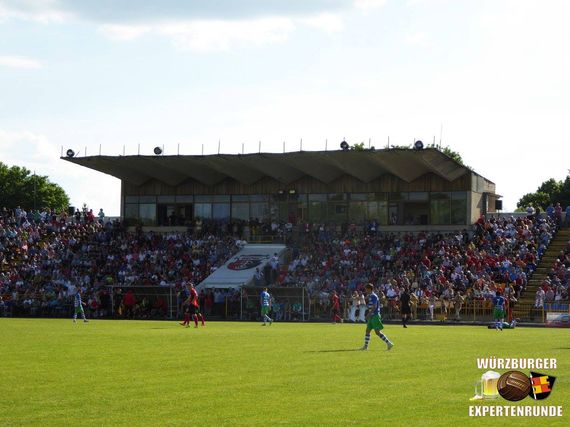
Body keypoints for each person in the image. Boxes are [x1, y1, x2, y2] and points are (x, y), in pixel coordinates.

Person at [361, 284, 393, 351]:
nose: (365, 290)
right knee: (367, 330)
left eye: (366, 289)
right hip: (371, 316)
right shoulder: (371, 296)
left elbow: (374, 306)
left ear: (369, 289)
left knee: (377, 332)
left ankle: (389, 343)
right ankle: (365, 346)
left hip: (375, 316)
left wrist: (368, 314)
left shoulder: (373, 296)